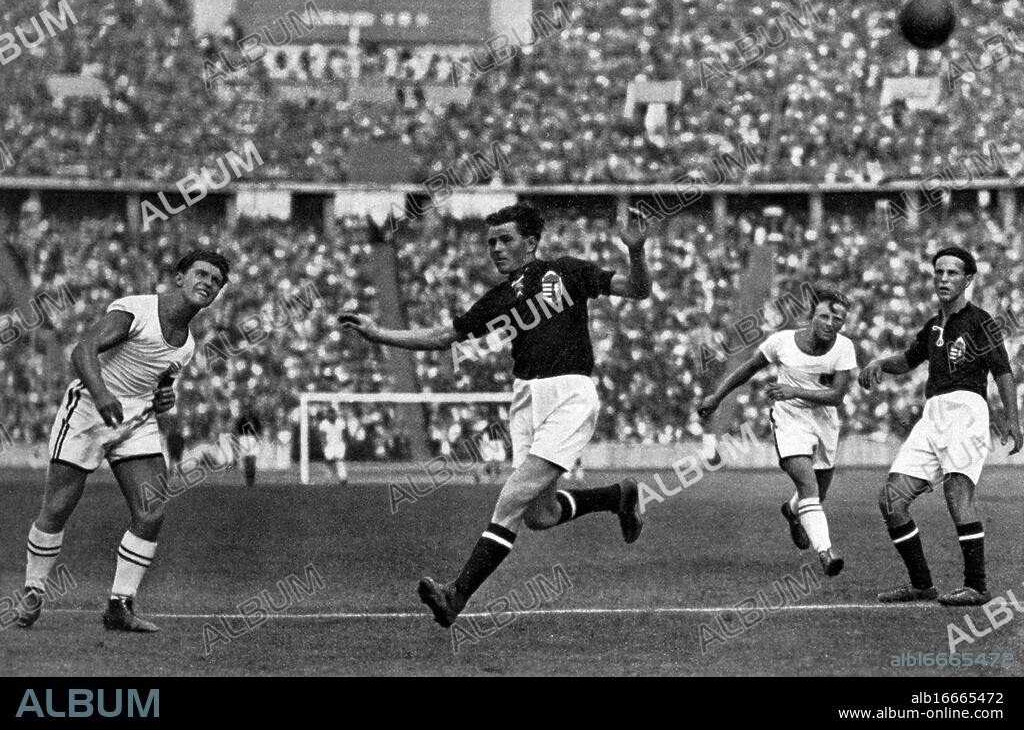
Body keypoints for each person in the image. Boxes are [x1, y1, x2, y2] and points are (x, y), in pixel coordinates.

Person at [342, 203, 651, 628]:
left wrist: (636, 251)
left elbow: (637, 289)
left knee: (509, 500)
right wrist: (379, 334)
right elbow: (445, 335)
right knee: (538, 516)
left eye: (505, 239)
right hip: (525, 399)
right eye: (491, 242)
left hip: (569, 394)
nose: (496, 248)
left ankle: (456, 595)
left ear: (530, 242)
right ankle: (618, 496)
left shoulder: (566, 271)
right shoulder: (500, 298)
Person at [16, 248, 229, 631]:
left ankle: (119, 606)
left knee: (152, 511)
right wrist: (101, 395)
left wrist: (166, 399)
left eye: (215, 281)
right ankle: (33, 590)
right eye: (201, 273)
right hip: (88, 409)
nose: (207, 283)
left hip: (137, 420)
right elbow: (83, 350)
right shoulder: (137, 309)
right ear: (179, 278)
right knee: (59, 505)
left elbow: (161, 387)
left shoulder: (187, 345)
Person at [859, 246, 1021, 606]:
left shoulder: (981, 322)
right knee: (891, 500)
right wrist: (880, 363)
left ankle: (976, 586)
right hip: (932, 414)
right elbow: (908, 359)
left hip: (966, 410)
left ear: (967, 280)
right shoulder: (933, 325)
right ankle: (921, 585)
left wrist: (1012, 419)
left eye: (952, 273)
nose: (944, 279)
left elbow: (1003, 371)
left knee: (957, 493)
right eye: (939, 272)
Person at [698, 288, 857, 577]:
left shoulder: (844, 348)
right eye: (824, 315)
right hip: (790, 419)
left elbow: (836, 396)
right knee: (808, 485)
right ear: (811, 316)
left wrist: (792, 389)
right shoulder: (782, 342)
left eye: (837, 319)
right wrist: (717, 397)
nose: (830, 323)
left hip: (824, 421)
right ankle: (826, 552)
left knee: (817, 492)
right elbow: (747, 369)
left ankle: (792, 512)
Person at [233, 405, 263, 487]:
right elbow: (238, 430)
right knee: (246, 460)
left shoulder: (255, 419)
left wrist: (258, 438)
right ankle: (248, 480)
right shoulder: (242, 419)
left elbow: (259, 429)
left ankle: (251, 479)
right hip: (244, 438)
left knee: (252, 459)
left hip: (253, 438)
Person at [318, 409, 348, 484]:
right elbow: (323, 437)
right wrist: (324, 447)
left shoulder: (341, 422)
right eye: (329, 414)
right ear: (327, 415)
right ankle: (329, 477)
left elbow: (344, 434)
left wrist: (345, 444)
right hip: (329, 446)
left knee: (340, 460)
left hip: (339, 444)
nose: (331, 416)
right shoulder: (323, 424)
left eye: (333, 414)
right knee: (329, 461)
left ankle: (343, 478)